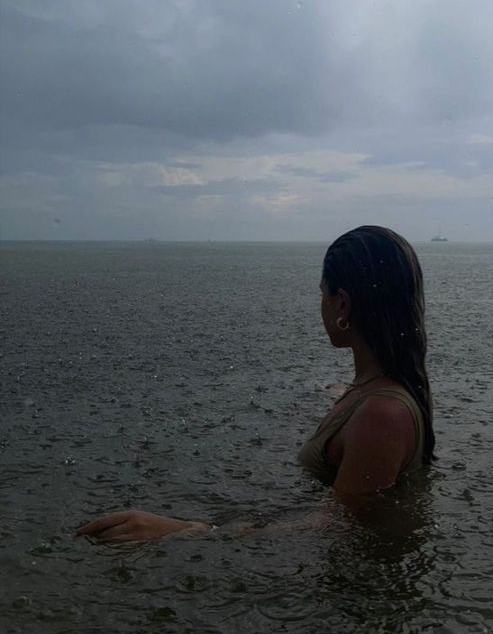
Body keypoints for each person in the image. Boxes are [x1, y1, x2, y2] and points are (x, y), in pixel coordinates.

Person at [76, 226, 435, 543]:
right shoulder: (372, 393)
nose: (320, 304)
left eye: (322, 293)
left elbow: (338, 526)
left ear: (342, 303)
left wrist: (185, 531)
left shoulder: (381, 413)